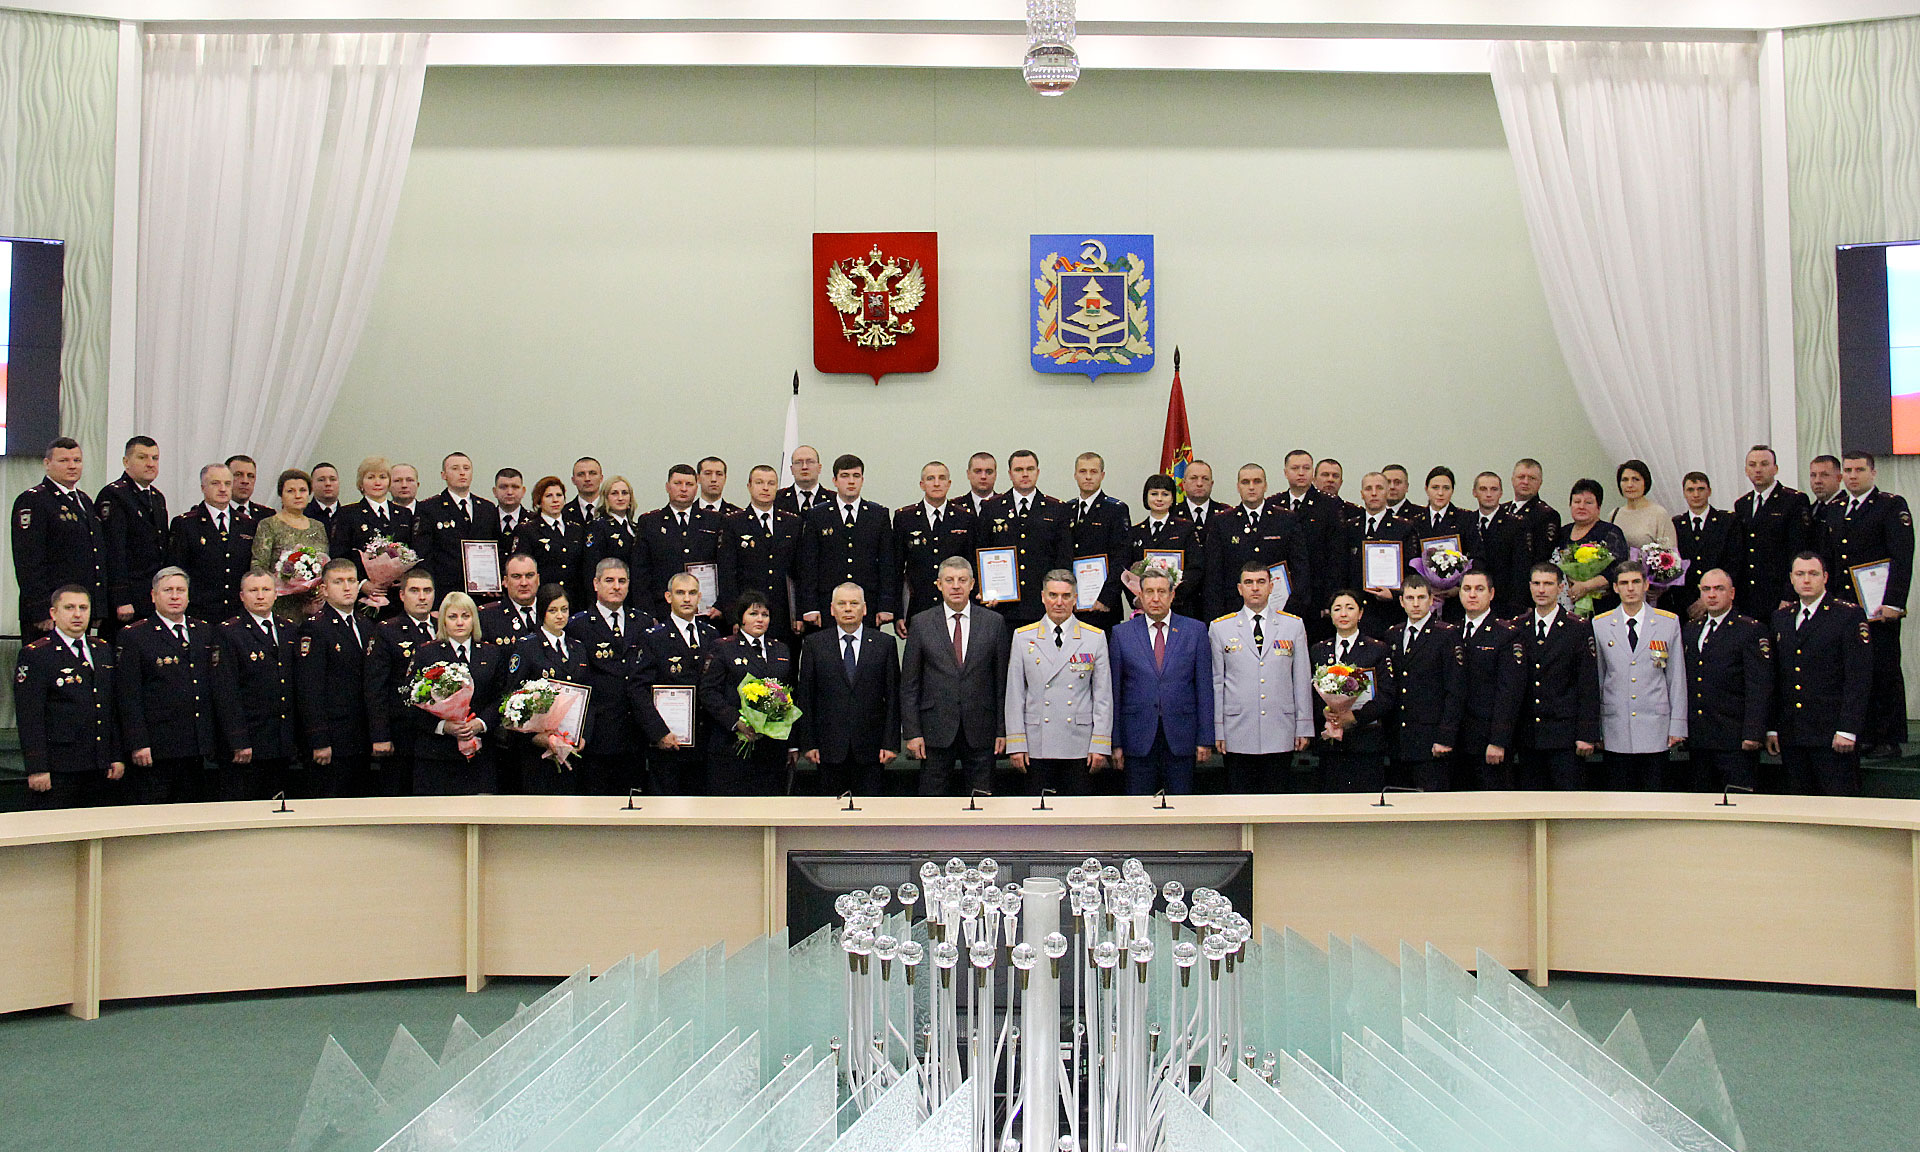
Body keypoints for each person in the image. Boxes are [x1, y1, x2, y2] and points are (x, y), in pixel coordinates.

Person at [114, 567, 241, 804]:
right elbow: (128, 696)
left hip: (198, 744)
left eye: (180, 590)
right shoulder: (135, 636)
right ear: (153, 596)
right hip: (158, 747)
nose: (175, 596)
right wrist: (138, 742)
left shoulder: (204, 631)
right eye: (168, 590)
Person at [1822, 451, 1913, 756]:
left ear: (1872, 473)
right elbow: (1831, 560)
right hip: (1845, 607)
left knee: (1883, 669)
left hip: (1878, 606)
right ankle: (1859, 733)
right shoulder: (1835, 509)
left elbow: (1902, 557)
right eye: (1848, 470)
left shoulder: (1890, 506)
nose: (1853, 476)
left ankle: (1887, 737)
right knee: (1852, 670)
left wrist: (1894, 602)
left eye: (1859, 470)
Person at [900, 556, 1011, 797]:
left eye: (962, 580)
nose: (956, 586)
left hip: (982, 728)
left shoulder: (994, 623)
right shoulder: (921, 623)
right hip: (934, 729)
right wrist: (912, 732)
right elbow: (910, 684)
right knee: (932, 802)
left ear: (972, 584)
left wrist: (1002, 730)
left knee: (982, 799)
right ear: (939, 585)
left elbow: (1002, 683)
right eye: (949, 580)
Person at [1768, 552, 1871, 796]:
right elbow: (1776, 678)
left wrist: (1848, 729)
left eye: (1813, 574)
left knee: (1838, 804)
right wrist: (1772, 727)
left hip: (1832, 734)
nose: (1806, 580)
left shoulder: (1847, 615)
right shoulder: (1781, 618)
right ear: (1791, 579)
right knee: (1800, 806)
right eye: (1800, 574)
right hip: (1793, 734)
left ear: (1825, 577)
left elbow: (1858, 677)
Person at [1003, 570, 1113, 796]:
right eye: (1053, 595)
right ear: (1043, 597)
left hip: (1079, 744)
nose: (1059, 602)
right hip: (1037, 743)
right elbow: (1015, 695)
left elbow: (1103, 697)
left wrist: (1100, 745)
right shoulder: (1023, 637)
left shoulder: (1094, 637)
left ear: (1075, 598)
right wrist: (1016, 744)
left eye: (1066, 596)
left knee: (1078, 811)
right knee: (1039, 811)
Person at [14, 585, 124, 809]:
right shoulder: (37, 654)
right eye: (69, 607)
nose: (77, 614)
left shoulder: (102, 650)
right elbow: (30, 716)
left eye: (83, 608)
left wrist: (115, 755)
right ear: (54, 613)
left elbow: (110, 707)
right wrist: (37, 767)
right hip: (60, 766)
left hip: (99, 763)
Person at [1210, 561, 1313, 794]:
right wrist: (1218, 729)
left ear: (1271, 586)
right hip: (1237, 729)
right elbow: (1217, 683)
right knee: (1239, 800)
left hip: (1280, 728)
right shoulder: (1220, 628)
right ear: (1240, 589)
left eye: (1260, 582)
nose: (1255, 588)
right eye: (1248, 582)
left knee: (1277, 800)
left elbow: (1301, 679)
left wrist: (1304, 726)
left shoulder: (1293, 625)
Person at [1108, 567, 1213, 795]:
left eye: (1162, 592)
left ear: (1172, 595)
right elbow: (1114, 693)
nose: (1155, 598)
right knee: (1137, 808)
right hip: (1137, 739)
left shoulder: (1195, 631)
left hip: (1181, 738)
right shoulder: (1121, 634)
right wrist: (1115, 743)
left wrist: (1205, 738)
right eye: (1149, 592)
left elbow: (1204, 688)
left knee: (1182, 806)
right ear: (1140, 595)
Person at [796, 583, 902, 797]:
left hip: (872, 748)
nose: (847, 609)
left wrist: (891, 743)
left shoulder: (884, 643)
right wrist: (808, 744)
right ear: (832, 609)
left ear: (865, 609)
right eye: (841, 604)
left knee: (871, 810)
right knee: (830, 811)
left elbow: (893, 697)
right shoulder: (814, 644)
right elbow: (806, 697)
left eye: (854, 603)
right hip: (828, 748)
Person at [1591, 561, 1687, 791]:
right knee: (1618, 796)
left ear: (1646, 585)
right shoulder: (1601, 624)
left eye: (1636, 582)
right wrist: (1597, 727)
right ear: (1615, 588)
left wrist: (1678, 725)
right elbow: (1598, 678)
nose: (1630, 588)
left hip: (1656, 726)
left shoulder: (1667, 622)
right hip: (1616, 726)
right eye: (1624, 583)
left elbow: (1676, 677)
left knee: (1655, 796)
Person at [565, 557, 655, 794]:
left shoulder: (643, 622)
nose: (616, 586)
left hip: (636, 732)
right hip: (598, 734)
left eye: (622, 581)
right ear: (596, 584)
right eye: (609, 580)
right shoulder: (578, 626)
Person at [1680, 569, 1771, 793]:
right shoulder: (1692, 629)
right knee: (1699, 801)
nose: (1711, 595)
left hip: (1734, 738)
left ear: (1732, 593)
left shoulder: (1749, 630)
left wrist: (1753, 732)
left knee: (1738, 800)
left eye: (1719, 589)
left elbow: (1759, 686)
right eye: (1706, 589)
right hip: (1699, 737)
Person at [405, 592, 505, 795]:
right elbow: (410, 700)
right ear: (443, 620)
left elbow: (501, 697)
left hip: (480, 754)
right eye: (452, 617)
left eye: (465, 616)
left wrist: (481, 723)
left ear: (474, 619)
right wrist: (444, 726)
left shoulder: (491, 653)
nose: (460, 622)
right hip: (436, 755)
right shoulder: (426, 653)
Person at [213, 568, 300, 802]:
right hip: (249, 742)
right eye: (253, 590)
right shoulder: (229, 632)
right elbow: (226, 692)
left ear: (276, 594)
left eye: (266, 589)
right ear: (242, 596)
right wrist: (238, 740)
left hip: (282, 740)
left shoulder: (289, 629)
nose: (260, 596)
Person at [501, 582, 596, 794]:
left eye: (564, 609)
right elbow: (512, 699)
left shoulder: (578, 648)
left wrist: (584, 736)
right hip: (537, 753)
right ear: (542, 612)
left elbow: (589, 697)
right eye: (553, 610)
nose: (560, 616)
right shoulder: (527, 647)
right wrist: (536, 738)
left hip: (571, 746)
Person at [701, 590, 798, 795]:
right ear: (741, 618)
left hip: (772, 747)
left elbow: (790, 694)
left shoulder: (780, 649)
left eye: (765, 614)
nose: (760, 619)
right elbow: (709, 692)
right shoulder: (724, 647)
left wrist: (792, 744)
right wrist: (736, 721)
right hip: (733, 744)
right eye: (753, 614)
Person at [633, 572, 721, 795]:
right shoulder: (653, 637)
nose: (687, 599)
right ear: (668, 597)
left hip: (706, 742)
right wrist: (658, 732)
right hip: (669, 742)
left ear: (700, 597)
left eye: (692, 593)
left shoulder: (712, 635)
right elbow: (638, 689)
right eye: (680, 593)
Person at [295, 558, 374, 798]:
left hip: (362, 736)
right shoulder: (315, 628)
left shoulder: (366, 624)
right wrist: (319, 739)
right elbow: (309, 689)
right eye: (338, 582)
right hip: (332, 738)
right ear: (324, 589)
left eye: (351, 581)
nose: (347, 587)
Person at [1518, 563, 1601, 790]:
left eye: (1548, 584)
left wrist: (1587, 733)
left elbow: (1587, 683)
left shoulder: (1578, 628)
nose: (1541, 590)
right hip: (1529, 736)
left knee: (1568, 800)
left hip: (1565, 736)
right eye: (1536, 583)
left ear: (1561, 587)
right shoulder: (1519, 627)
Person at [12, 437, 107, 632]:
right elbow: (28, 561)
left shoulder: (84, 501)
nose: (72, 466)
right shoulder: (34, 500)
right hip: (51, 611)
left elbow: (94, 555)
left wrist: (97, 607)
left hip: (79, 609)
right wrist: (41, 609)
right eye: (64, 461)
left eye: (77, 460)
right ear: (47, 464)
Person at [796, 453, 896, 629]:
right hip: (828, 604)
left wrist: (886, 605)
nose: (851, 481)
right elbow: (809, 564)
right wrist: (810, 606)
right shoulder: (817, 515)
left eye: (856, 476)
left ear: (862, 480)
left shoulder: (878, 515)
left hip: (867, 604)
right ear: (834, 480)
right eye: (845, 476)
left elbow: (887, 564)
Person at [1310, 589, 1396, 793]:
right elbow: (1311, 692)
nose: (1343, 614)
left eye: (1350, 608)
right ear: (1330, 614)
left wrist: (1356, 717)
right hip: (1331, 743)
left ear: (1360, 613)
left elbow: (1387, 695)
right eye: (1337, 609)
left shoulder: (1377, 649)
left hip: (1366, 742)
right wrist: (1324, 711)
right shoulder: (1319, 650)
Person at [363, 568, 440, 797]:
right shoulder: (387, 631)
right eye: (415, 591)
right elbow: (375, 688)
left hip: (438, 734)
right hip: (402, 733)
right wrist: (381, 736)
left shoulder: (444, 627)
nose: (422, 597)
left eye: (427, 591)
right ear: (402, 595)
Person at [1203, 463, 1312, 622]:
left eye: (1257, 481)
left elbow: (1300, 568)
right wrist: (1218, 617)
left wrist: (1293, 608)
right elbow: (1214, 575)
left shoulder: (1286, 519)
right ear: (1238, 487)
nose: (1251, 487)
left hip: (1280, 610)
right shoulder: (1222, 522)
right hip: (1235, 611)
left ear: (1265, 485)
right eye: (1245, 482)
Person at [1384, 573, 1463, 792]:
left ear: (1431, 600)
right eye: (1410, 598)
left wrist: (1445, 737)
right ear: (1402, 602)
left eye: (1421, 597)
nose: (1416, 604)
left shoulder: (1446, 635)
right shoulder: (1393, 634)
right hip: (1400, 740)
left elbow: (1455, 690)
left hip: (1431, 740)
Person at [977, 450, 1073, 629]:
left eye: (1030, 469)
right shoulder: (992, 508)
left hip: (1042, 606)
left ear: (1038, 472)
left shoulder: (1056, 509)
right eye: (1019, 469)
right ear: (1010, 474)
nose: (1025, 474)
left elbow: (1063, 559)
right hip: (1002, 607)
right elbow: (980, 551)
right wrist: (985, 591)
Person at [1454, 570, 1525, 789]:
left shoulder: (1506, 634)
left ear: (1491, 594)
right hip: (1457, 739)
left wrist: (1498, 740)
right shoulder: (1452, 631)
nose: (1472, 595)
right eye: (1467, 589)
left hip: (1488, 741)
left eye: (1479, 589)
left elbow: (1509, 693)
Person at [893, 460, 979, 636]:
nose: (937, 483)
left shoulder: (965, 518)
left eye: (942, 478)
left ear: (949, 483)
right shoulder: (905, 518)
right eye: (931, 478)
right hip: (919, 606)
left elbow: (973, 566)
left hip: (956, 605)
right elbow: (896, 569)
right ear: (922, 484)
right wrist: (898, 613)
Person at [96, 435, 170, 638]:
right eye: (142, 457)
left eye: (155, 458)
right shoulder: (115, 495)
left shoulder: (156, 497)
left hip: (151, 595)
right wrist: (121, 597)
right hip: (128, 599)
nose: (150, 463)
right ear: (126, 462)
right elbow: (113, 550)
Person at [719, 464, 802, 638]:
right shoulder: (734, 522)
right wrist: (733, 616)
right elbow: (728, 573)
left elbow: (800, 571)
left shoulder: (792, 523)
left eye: (771, 483)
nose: (765, 488)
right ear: (749, 486)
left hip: (782, 613)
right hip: (747, 611)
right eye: (759, 482)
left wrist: (799, 613)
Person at [1731, 444, 1812, 621]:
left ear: (1775, 469)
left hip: (1778, 593)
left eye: (1764, 464)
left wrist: (1789, 594)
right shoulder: (1742, 504)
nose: (1758, 470)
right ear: (1746, 470)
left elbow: (1798, 550)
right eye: (1752, 465)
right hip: (1749, 595)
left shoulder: (1793, 500)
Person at [169, 462, 255, 624]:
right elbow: (177, 570)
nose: (222, 489)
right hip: (200, 612)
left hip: (237, 614)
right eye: (215, 483)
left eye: (227, 484)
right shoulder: (186, 524)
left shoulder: (247, 524)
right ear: (203, 487)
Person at [413, 451, 502, 605]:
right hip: (446, 593)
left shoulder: (487, 508)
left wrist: (496, 581)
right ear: (443, 475)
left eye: (466, 468)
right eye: (455, 468)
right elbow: (423, 555)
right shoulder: (429, 508)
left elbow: (498, 548)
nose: (462, 473)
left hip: (483, 593)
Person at [635, 463, 725, 616]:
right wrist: (648, 614)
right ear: (667, 487)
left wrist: (721, 604)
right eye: (678, 483)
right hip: (663, 610)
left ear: (696, 488)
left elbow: (725, 566)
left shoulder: (714, 520)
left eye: (689, 484)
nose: (683, 489)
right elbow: (641, 572)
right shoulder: (650, 522)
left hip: (705, 610)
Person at [251, 468, 331, 621]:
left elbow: (326, 565)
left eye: (302, 490)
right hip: (281, 604)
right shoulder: (269, 525)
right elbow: (258, 566)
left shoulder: (318, 526)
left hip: (314, 603)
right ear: (281, 495)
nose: (298, 495)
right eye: (290, 491)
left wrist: (323, 587)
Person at [1340, 471, 1412, 640]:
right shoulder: (1349, 528)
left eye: (1379, 488)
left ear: (1387, 492)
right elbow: (1341, 569)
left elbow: (1411, 571)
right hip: (1355, 611)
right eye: (1368, 489)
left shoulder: (1403, 528)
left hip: (1390, 612)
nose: (1374, 493)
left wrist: (1395, 594)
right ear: (1362, 494)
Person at [1126, 475, 1206, 621]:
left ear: (1172, 498)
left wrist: (1173, 596)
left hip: (1180, 608)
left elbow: (1195, 568)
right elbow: (1127, 570)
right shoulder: (1135, 532)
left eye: (1165, 494)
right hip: (1146, 609)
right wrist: (1137, 599)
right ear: (1146, 497)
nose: (1159, 499)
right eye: (1154, 494)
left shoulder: (1185, 528)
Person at [1066, 452, 1130, 632]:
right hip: (1072, 604)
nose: (1088, 477)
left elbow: (1121, 557)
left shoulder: (1115, 510)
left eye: (1093, 472)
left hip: (1103, 605)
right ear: (1075, 475)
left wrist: (1106, 597)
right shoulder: (1066, 509)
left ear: (1102, 475)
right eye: (1083, 471)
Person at [1406, 466, 1476, 623]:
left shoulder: (1466, 519)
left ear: (1452, 490)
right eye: (1435, 487)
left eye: (1446, 488)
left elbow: (1477, 556)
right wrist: (1425, 587)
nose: (1440, 493)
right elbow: (1411, 560)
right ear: (1426, 489)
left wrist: (1459, 586)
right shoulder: (1415, 521)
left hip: (1456, 599)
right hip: (1423, 599)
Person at [329, 456, 414, 580]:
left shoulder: (404, 514)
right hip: (362, 585)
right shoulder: (348, 513)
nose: (377, 482)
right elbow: (340, 555)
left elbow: (413, 550)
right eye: (371, 477)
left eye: (382, 477)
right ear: (361, 483)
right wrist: (363, 583)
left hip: (400, 586)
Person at [1555, 478, 1629, 617]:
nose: (1581, 506)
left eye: (1588, 503)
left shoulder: (1610, 532)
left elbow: (1618, 569)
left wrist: (1586, 586)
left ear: (1598, 507)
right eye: (1577, 502)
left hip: (1604, 606)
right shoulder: (1563, 532)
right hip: (1567, 602)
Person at [1671, 471, 1734, 620]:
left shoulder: (1727, 521)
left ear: (1709, 491)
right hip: (1685, 604)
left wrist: (1705, 599)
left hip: (1719, 600)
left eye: (1701, 489)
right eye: (1690, 490)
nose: (1696, 494)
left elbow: (1733, 562)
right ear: (1684, 493)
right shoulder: (1676, 524)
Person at [1465, 471, 1529, 620]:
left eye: (1494, 489)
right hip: (1471, 602)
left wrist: (1517, 607)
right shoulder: (1466, 521)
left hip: (1505, 603)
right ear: (1474, 492)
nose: (1489, 494)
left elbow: (1521, 569)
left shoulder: (1516, 524)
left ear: (1501, 493)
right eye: (1483, 489)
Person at [513, 475, 585, 602]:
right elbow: (521, 565)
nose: (555, 500)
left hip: (574, 599)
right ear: (539, 500)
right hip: (544, 598)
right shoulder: (528, 530)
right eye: (549, 496)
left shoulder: (576, 529)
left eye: (559, 495)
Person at [1504, 457, 1562, 577]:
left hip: (1525, 580)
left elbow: (1541, 557)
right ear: (1512, 480)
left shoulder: (1547, 515)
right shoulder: (1502, 509)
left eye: (1532, 478)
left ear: (1540, 483)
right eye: (1521, 477)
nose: (1526, 482)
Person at [580, 474, 642, 587]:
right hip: (611, 590)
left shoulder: (636, 528)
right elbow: (591, 568)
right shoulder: (598, 527)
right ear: (606, 498)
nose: (620, 498)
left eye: (624, 493)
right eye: (614, 493)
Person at [1608, 459, 1677, 555]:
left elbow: (1670, 554)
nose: (1629, 485)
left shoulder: (1659, 514)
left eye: (1635, 479)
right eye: (1625, 480)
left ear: (1645, 482)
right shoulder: (1615, 514)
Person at [478, 552, 545, 649]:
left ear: (538, 579)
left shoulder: (551, 610)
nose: (524, 583)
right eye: (516, 576)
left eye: (529, 576)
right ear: (505, 581)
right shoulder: (487, 617)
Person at [1176, 459, 1229, 531]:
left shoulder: (1226, 513)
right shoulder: (1172, 513)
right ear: (1183, 484)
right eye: (1193, 478)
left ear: (1211, 484)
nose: (1199, 484)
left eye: (1205, 479)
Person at [778, 445, 828, 515]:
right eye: (798, 462)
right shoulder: (777, 498)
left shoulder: (834, 499)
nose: (804, 467)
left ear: (819, 468)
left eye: (810, 462)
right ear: (792, 469)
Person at [225, 455, 274, 525]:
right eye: (238, 475)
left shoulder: (268, 515)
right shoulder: (216, 513)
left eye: (250, 476)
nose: (245, 481)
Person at [564, 457, 604, 528]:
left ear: (601, 478)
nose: (587, 479)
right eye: (581, 474)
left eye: (592, 473)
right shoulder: (563, 513)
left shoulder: (612, 510)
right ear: (573, 480)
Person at [493, 467, 527, 543]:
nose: (509, 492)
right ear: (495, 492)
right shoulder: (484, 521)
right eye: (503, 487)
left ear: (523, 491)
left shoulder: (535, 521)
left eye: (515, 487)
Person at [958, 451, 998, 517]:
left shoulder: (1008, 506)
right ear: (968, 474)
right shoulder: (956, 507)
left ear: (995, 475)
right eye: (978, 471)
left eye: (989, 472)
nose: (983, 476)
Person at [306, 462, 343, 530]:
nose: (328, 484)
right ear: (311, 485)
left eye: (332, 479)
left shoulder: (349, 516)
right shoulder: (303, 515)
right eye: (321, 480)